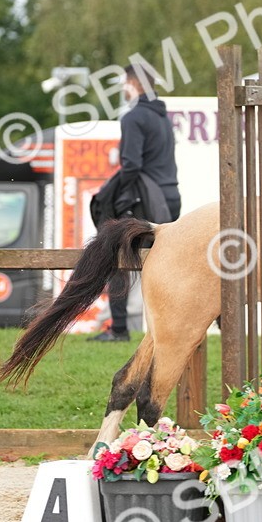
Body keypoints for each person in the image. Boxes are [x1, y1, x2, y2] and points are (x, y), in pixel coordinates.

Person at [88, 64, 181, 342]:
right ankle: (170, 328)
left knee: (116, 255)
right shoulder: (163, 118)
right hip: (170, 199)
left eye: (123, 85)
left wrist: (119, 198)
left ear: (132, 84)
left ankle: (118, 329)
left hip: (145, 202)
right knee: (165, 264)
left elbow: (131, 166)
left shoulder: (133, 118)